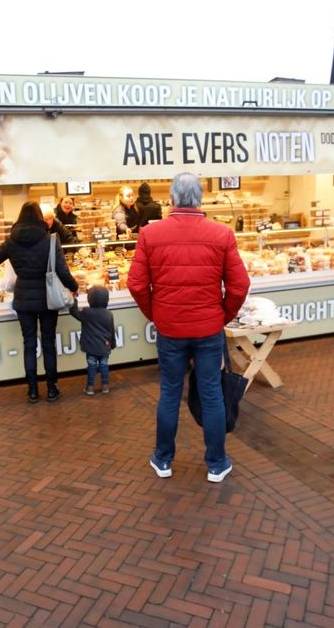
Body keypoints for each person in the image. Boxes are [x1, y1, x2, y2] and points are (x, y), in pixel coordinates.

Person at [128, 172, 250, 483]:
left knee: (169, 393)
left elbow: (137, 284)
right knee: (211, 394)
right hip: (208, 329)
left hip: (170, 329)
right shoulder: (221, 234)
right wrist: (221, 316)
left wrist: (155, 313)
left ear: (171, 198)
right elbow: (239, 285)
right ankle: (216, 463)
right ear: (200, 198)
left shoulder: (150, 235)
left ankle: (163, 459)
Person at [0, 202, 78, 403]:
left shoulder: (11, 240)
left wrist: (11, 254)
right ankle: (52, 389)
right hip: (47, 298)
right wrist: (74, 285)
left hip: (23, 299)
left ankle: (33, 391)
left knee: (29, 344)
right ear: (39, 217)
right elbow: (63, 271)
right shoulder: (51, 240)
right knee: (48, 343)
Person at [69, 284, 116, 395]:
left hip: (90, 346)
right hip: (104, 345)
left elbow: (73, 312)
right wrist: (112, 344)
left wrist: (74, 298)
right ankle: (105, 386)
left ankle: (90, 387)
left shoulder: (86, 313)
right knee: (104, 365)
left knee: (91, 365)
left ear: (90, 299)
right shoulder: (109, 314)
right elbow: (111, 331)